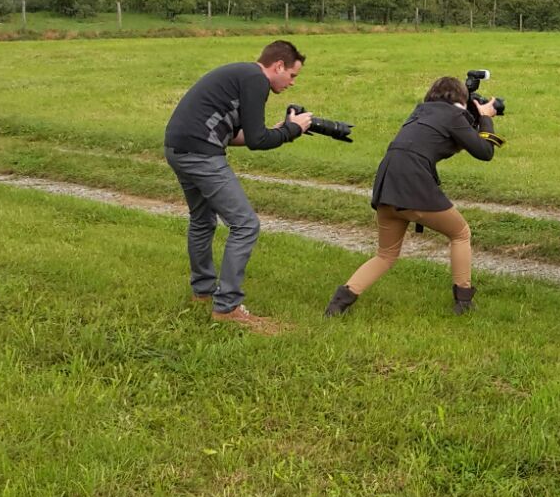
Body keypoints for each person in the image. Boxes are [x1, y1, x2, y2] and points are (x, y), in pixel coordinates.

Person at [163, 40, 313, 330]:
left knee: (202, 220)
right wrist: (293, 130)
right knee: (245, 224)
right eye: (292, 75)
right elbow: (258, 142)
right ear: (278, 66)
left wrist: (285, 130)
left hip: (177, 147)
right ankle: (227, 306)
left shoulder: (241, 76)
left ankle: (203, 292)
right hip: (200, 153)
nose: (292, 83)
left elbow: (236, 135)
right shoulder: (256, 79)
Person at [325, 76, 500, 318]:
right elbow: (484, 152)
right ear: (461, 100)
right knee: (460, 233)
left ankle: (339, 303)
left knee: (385, 254)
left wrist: (471, 117)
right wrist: (486, 118)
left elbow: (437, 140)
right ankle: (464, 301)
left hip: (386, 182)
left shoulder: (419, 112)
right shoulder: (452, 116)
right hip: (413, 182)